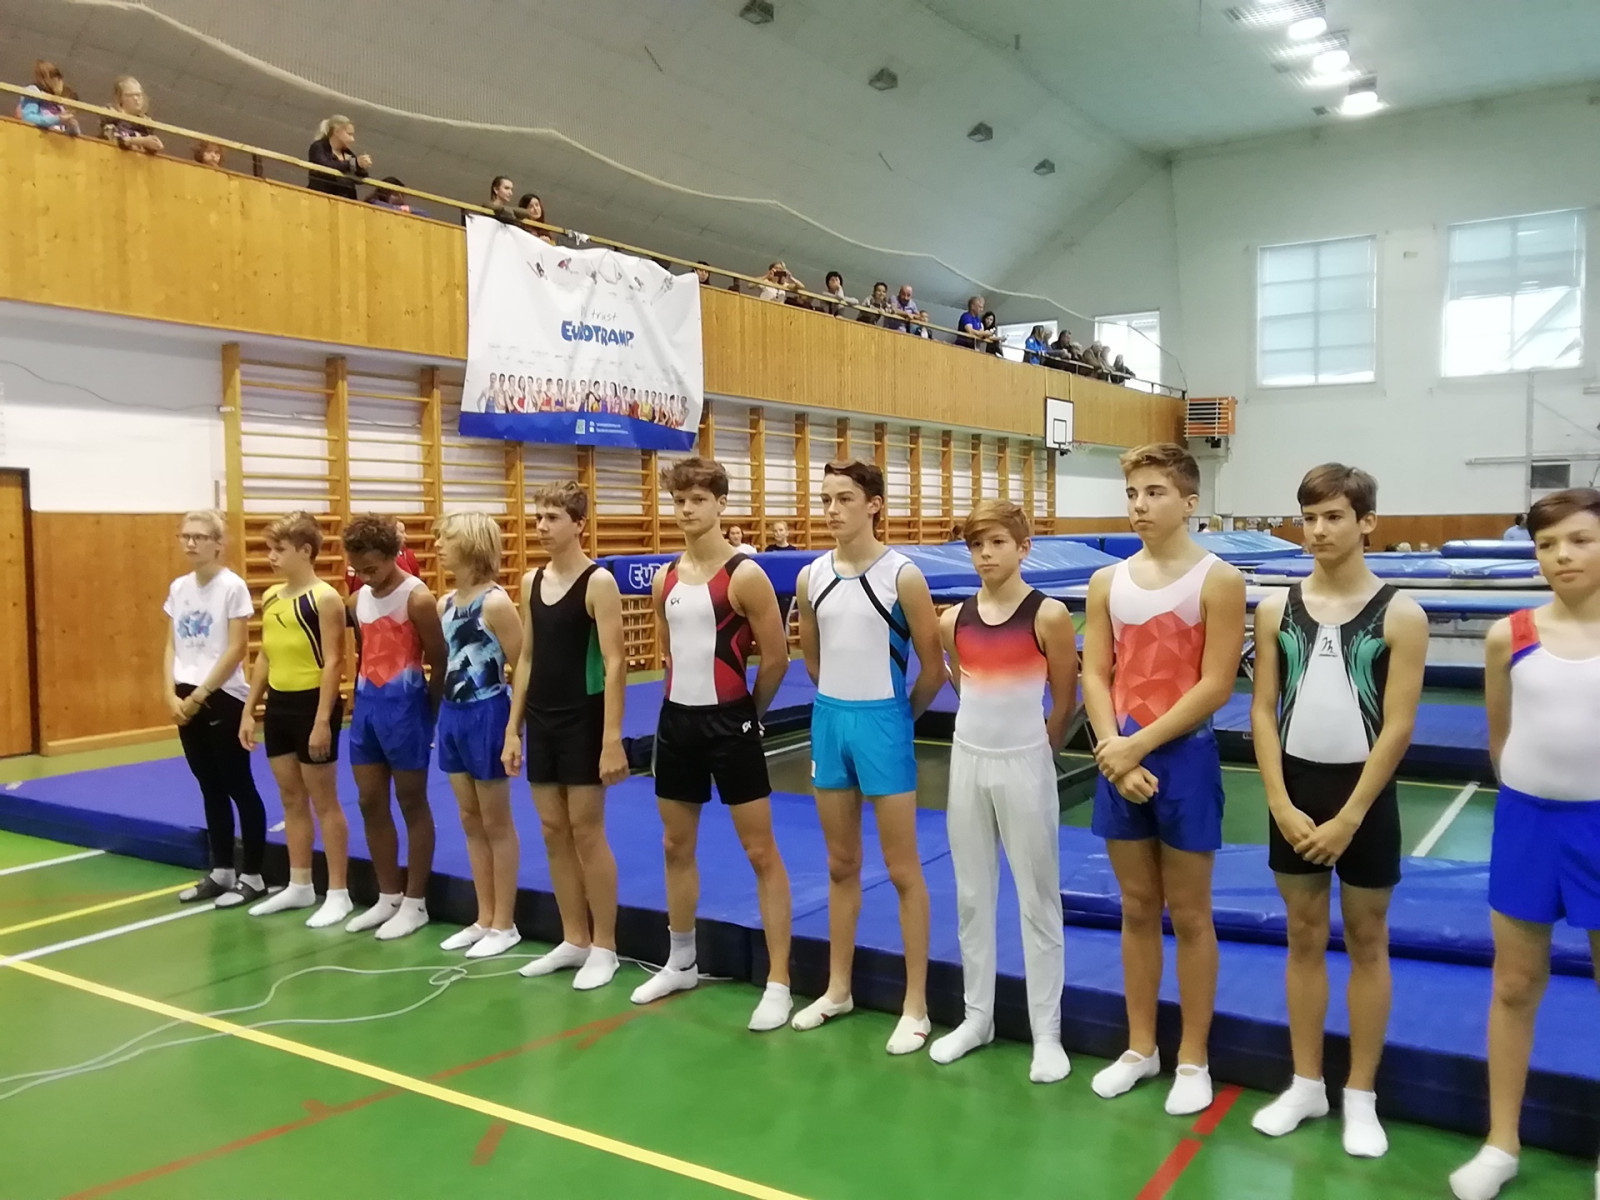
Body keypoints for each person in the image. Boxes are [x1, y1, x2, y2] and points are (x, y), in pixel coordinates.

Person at [1248, 465, 1428, 1157]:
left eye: (1333, 517)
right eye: (1309, 518)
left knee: (1367, 939)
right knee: (1302, 935)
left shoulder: (1401, 615)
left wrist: (1352, 815)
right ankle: (1305, 1083)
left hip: (1364, 799)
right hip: (1294, 791)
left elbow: (1398, 726)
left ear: (1366, 522)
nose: (1317, 531)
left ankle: (1360, 1093)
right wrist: (1278, 800)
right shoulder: (1276, 609)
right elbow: (1263, 709)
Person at [1082, 443, 1246, 1114]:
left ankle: (1194, 1057)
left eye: (1154, 492)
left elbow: (1215, 684)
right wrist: (1112, 751)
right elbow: (1096, 672)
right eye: (1132, 493)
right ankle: (1140, 1047)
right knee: (1137, 908)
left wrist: (1138, 747)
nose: (1140, 505)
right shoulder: (1107, 582)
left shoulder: (1218, 580)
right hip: (1118, 753)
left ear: (1188, 502)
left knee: (1192, 913)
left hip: (1182, 757)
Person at [1448, 488, 1600, 1200]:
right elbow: (1500, 737)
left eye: (1579, 540)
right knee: (1512, 985)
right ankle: (1501, 1141)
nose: (1561, 556)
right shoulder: (1510, 635)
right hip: (1528, 822)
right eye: (1547, 545)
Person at [632, 457, 794, 1032]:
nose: (686, 510)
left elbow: (776, 658)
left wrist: (750, 715)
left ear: (721, 504)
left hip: (732, 722)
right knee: (675, 844)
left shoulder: (745, 576)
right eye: (679, 501)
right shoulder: (666, 579)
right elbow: (670, 652)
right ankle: (681, 961)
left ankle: (779, 982)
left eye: (698, 500)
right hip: (677, 722)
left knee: (760, 852)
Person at [793, 459, 945, 1054]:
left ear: (874, 504)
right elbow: (812, 658)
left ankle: (916, 1005)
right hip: (830, 720)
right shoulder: (810, 576)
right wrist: (840, 705)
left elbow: (933, 669)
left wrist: (899, 719)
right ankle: (838, 989)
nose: (832, 510)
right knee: (840, 864)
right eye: (826, 499)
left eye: (845, 499)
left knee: (903, 869)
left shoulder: (902, 576)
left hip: (884, 721)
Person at [931, 500, 1079, 1082]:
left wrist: (1042, 748)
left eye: (997, 543)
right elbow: (960, 680)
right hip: (968, 760)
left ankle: (1048, 1034)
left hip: (1026, 760)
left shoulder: (1049, 616)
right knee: (972, 895)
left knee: (1037, 898)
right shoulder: (953, 620)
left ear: (1023, 547)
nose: (986, 555)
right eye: (976, 545)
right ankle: (978, 1017)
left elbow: (1065, 699)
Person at [503, 482, 629, 988]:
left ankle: (606, 946)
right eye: (538, 517)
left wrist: (612, 737)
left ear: (579, 524)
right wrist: (513, 728)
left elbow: (616, 662)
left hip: (583, 717)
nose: (541, 526)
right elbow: (526, 657)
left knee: (586, 830)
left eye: (553, 517)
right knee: (553, 829)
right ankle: (574, 937)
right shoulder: (531, 581)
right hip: (541, 718)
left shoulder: (598, 583)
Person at [240, 512, 352, 926]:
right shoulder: (272, 596)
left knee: (325, 801)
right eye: (269, 549)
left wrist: (323, 720)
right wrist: (250, 709)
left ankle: (338, 891)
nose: (270, 556)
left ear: (305, 551)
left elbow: (334, 661)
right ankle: (300, 883)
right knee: (290, 799)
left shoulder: (324, 598)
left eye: (279, 549)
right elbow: (265, 656)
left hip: (312, 705)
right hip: (280, 705)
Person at [342, 515, 448, 940]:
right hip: (368, 707)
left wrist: (430, 712)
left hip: (406, 708)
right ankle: (388, 895)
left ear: (393, 555)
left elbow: (439, 659)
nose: (365, 577)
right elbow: (363, 650)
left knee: (411, 802)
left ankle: (415, 902)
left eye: (372, 568)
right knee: (369, 800)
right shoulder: (358, 600)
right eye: (358, 570)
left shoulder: (417, 598)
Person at [163, 511, 267, 907]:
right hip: (185, 692)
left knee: (238, 784)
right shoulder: (179, 588)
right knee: (208, 784)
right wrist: (170, 694)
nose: (191, 543)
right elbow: (171, 645)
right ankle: (221, 869)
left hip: (221, 693)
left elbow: (236, 648)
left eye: (200, 536)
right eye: (185, 536)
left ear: (218, 543)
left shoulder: (232, 586)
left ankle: (253, 875)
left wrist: (200, 694)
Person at [433, 512, 524, 959]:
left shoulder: (496, 604)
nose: (436, 546)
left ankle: (505, 923)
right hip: (452, 715)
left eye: (445, 539)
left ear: (470, 545)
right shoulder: (444, 603)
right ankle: (484, 917)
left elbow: (522, 665)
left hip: (488, 711)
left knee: (495, 822)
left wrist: (513, 729)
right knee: (470, 819)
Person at [307, 116, 371, 199]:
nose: (352, 139)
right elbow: (325, 166)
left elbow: (361, 178)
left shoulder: (347, 153)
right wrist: (354, 163)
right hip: (320, 197)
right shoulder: (319, 147)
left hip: (345, 200)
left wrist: (361, 166)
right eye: (349, 134)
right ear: (337, 132)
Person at [100, 76, 164, 155]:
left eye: (138, 95)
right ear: (120, 98)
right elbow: (112, 138)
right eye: (130, 95)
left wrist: (154, 146)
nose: (136, 99)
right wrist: (140, 141)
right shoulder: (110, 116)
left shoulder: (146, 124)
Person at [16, 60, 79, 135]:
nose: (62, 84)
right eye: (59, 79)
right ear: (53, 79)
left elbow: (65, 131)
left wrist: (73, 126)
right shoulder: (35, 91)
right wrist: (57, 119)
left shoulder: (58, 103)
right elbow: (28, 118)